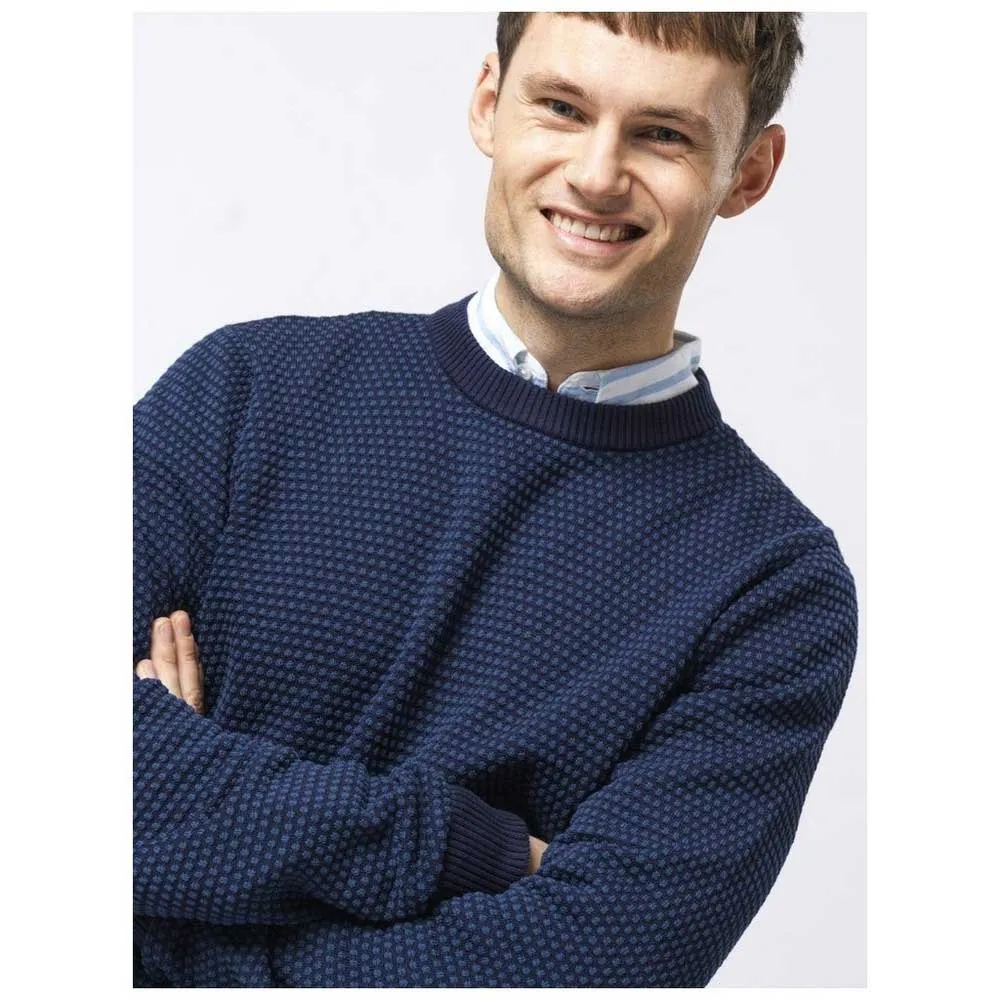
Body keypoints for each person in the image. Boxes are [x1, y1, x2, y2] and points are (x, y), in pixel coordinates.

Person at [133, 12, 858, 987]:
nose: (596, 174)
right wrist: (465, 848)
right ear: (489, 103)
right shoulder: (244, 391)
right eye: (562, 108)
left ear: (748, 173)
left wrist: (151, 911)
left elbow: (590, 965)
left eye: (662, 134)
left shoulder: (773, 590)